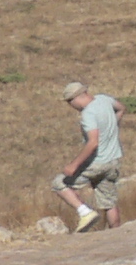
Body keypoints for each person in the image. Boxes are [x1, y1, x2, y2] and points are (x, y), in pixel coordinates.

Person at [53, 80, 124, 232]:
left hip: (97, 162)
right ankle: (117, 233)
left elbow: (93, 143)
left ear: (76, 98)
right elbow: (121, 108)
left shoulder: (88, 114)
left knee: (59, 184)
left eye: (69, 102)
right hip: (113, 161)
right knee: (109, 202)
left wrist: (74, 165)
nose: (70, 106)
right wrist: (113, 126)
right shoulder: (104, 100)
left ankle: (85, 213)